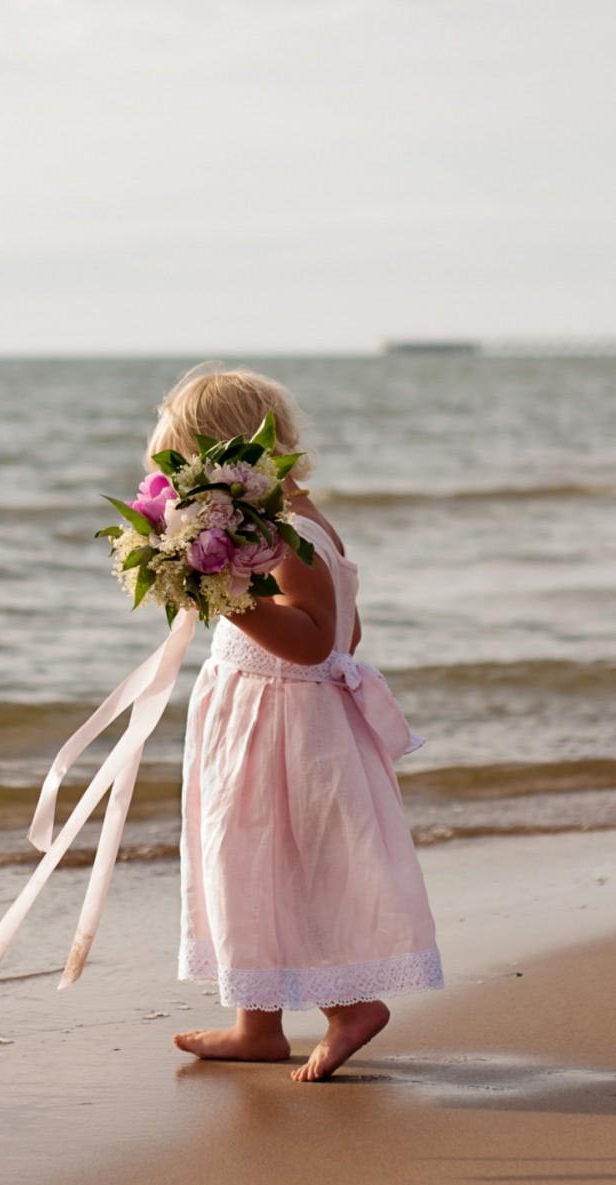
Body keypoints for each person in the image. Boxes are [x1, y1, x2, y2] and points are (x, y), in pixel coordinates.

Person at [143, 362, 445, 1082]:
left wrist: (225, 594)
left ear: (222, 458)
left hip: (278, 726)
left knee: (284, 862)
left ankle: (351, 1008)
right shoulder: (295, 519)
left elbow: (315, 639)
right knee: (247, 862)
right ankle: (258, 1024)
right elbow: (353, 632)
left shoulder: (284, 527)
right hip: (263, 715)